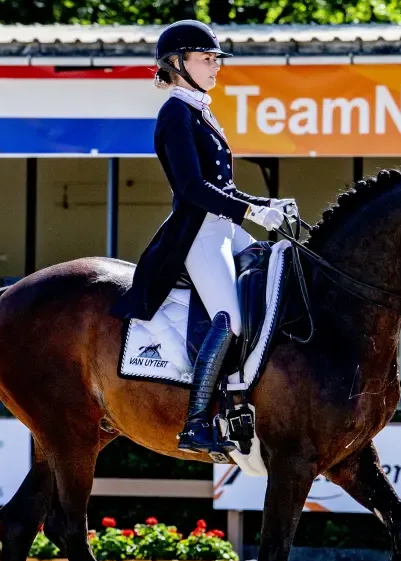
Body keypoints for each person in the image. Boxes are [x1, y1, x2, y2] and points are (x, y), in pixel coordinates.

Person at [110, 19, 297, 455]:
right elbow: (193, 189)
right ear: (177, 63)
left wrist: (263, 205)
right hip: (197, 233)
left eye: (216, 59)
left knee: (276, 279)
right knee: (229, 318)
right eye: (207, 58)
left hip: (223, 227)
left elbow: (224, 189)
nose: (216, 66)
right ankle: (196, 420)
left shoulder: (198, 108)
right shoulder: (175, 112)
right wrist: (252, 211)